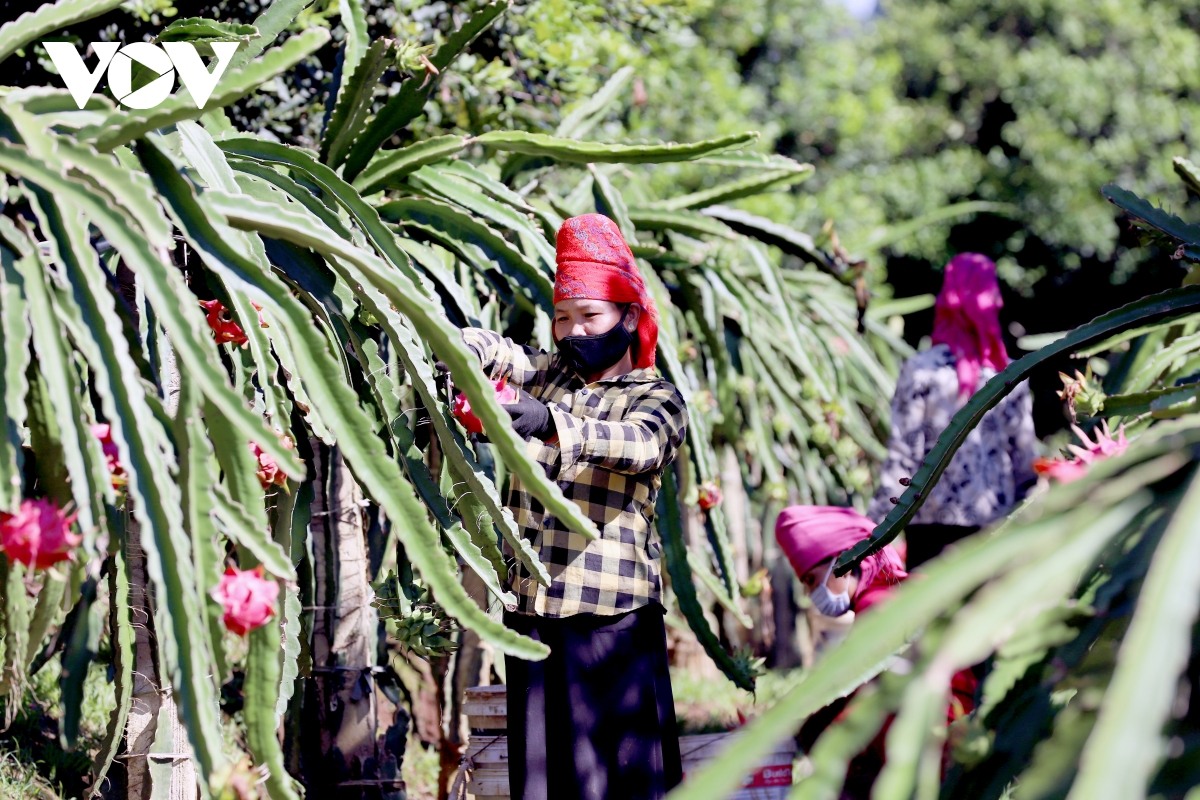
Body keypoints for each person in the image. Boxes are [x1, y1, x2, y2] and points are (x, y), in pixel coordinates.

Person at [459, 214, 688, 800]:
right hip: (535, 614)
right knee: (545, 782)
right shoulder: (551, 375)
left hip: (610, 619)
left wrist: (553, 425)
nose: (574, 332)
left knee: (618, 783)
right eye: (563, 318)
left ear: (628, 317)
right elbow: (502, 353)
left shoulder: (656, 397)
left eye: (591, 317)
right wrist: (459, 347)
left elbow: (641, 446)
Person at [775, 505, 976, 798]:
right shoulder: (905, 587)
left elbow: (858, 689)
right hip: (956, 733)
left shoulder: (877, 606)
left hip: (927, 747)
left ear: (843, 561)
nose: (810, 594)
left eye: (811, 580)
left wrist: (798, 730)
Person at [868, 253, 1037, 569]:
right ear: (992, 299)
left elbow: (903, 456)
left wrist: (873, 528)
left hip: (928, 528)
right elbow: (1025, 459)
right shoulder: (1008, 376)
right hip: (993, 527)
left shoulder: (920, 371)